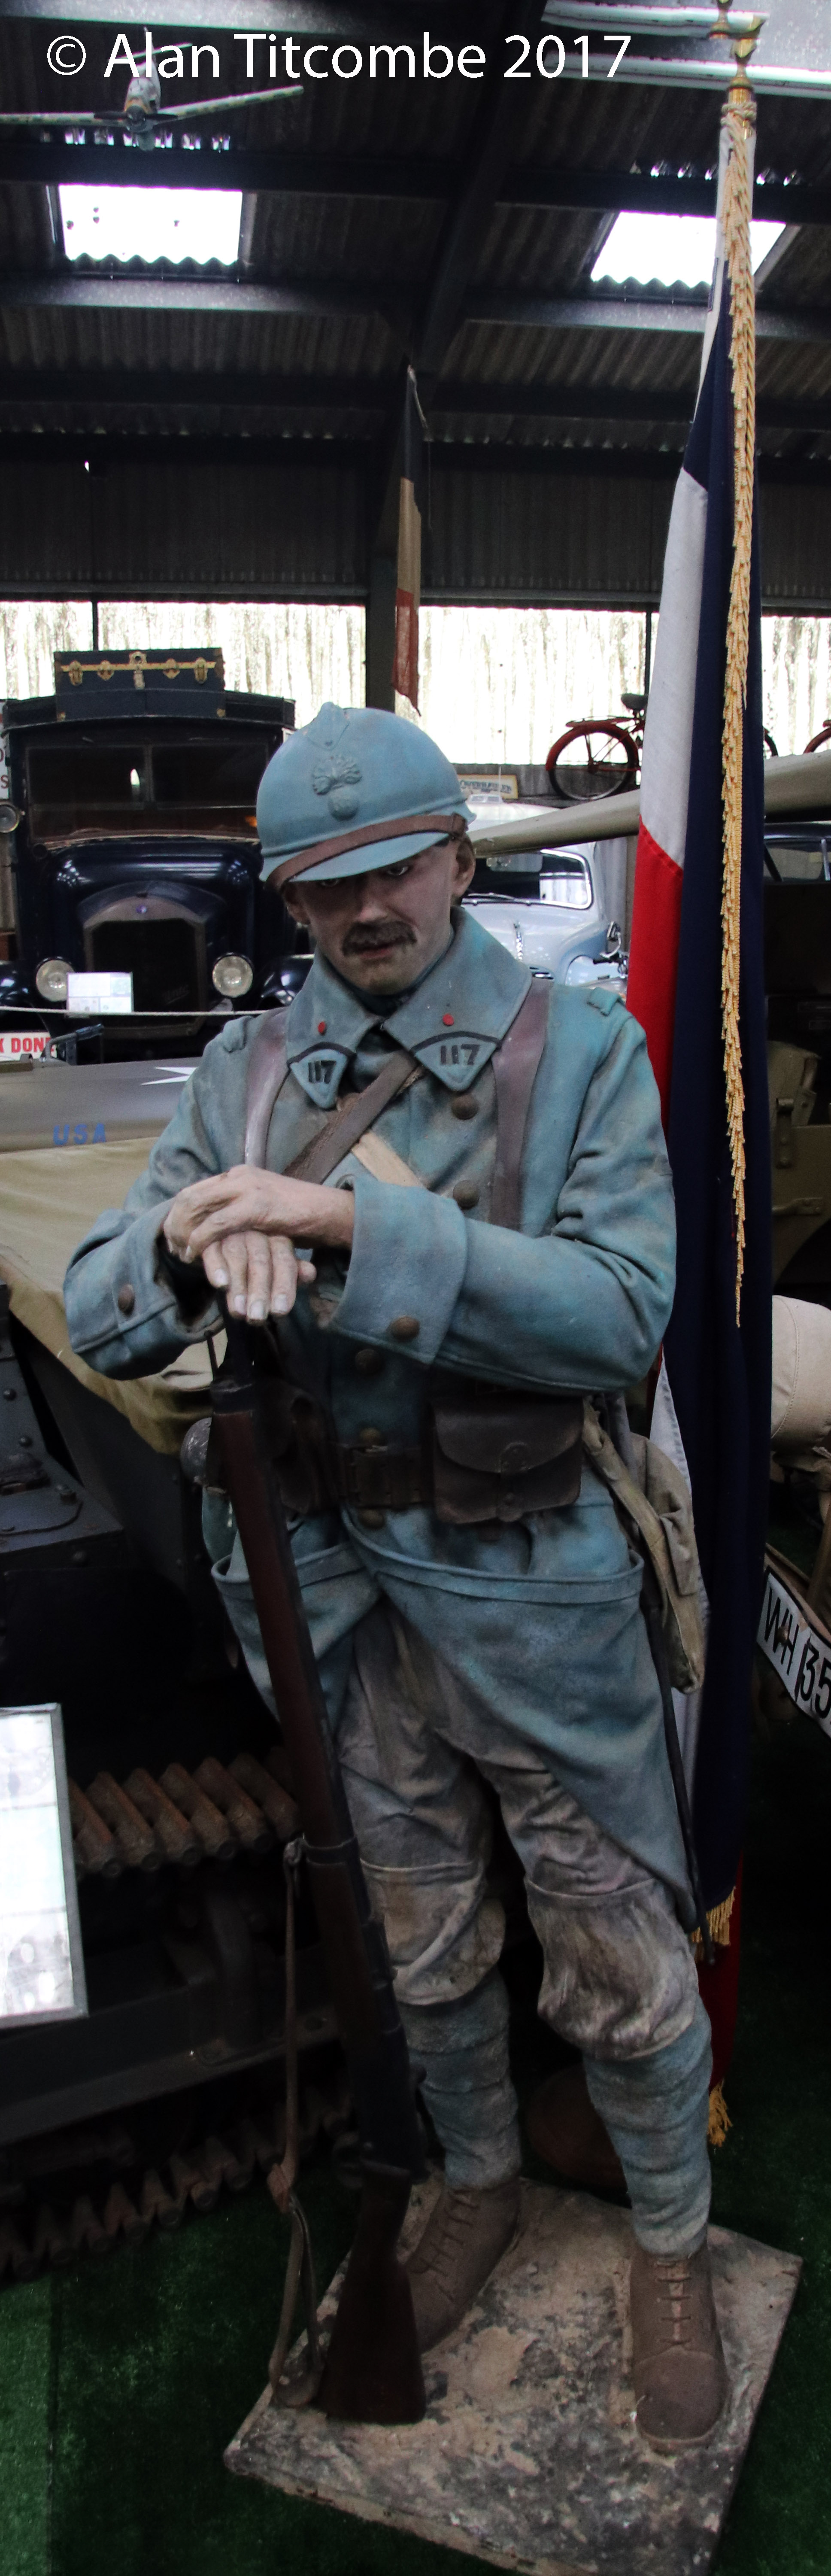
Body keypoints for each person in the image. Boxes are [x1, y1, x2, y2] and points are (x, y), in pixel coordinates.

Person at [64, 702, 726, 2451]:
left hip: (530, 1582)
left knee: (614, 1936)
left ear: (455, 859)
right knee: (419, 1937)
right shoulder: (245, 1075)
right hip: (334, 1592)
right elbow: (105, 1305)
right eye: (324, 885)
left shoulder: (576, 1053)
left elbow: (621, 1315)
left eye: (394, 869)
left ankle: (671, 2246)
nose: (366, 910)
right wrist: (187, 1246)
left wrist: (353, 1227)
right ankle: (476, 2186)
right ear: (288, 901)